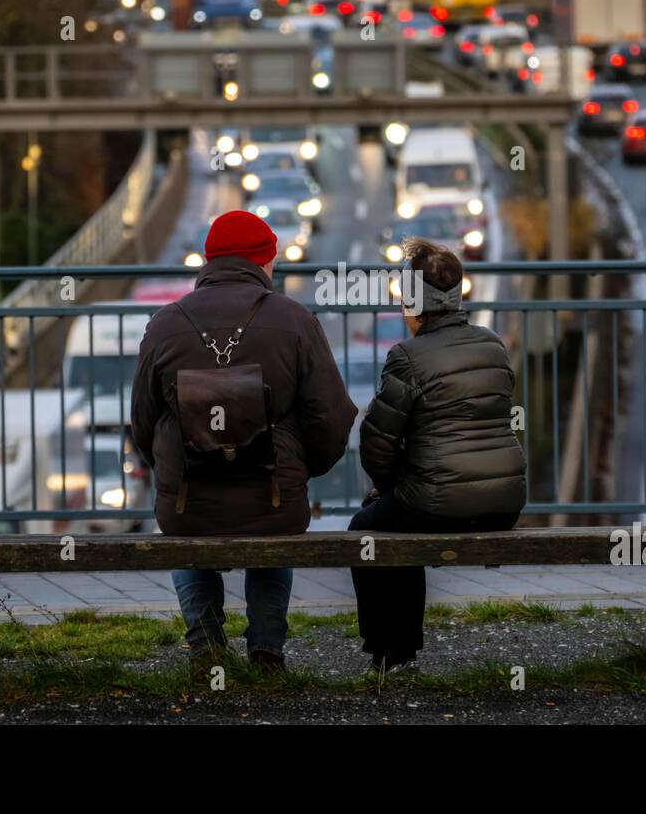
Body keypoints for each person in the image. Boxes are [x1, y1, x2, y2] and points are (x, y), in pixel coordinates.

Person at [130, 210, 357, 670]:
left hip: (188, 502)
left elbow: (142, 420)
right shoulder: (295, 321)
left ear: (208, 261)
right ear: (264, 263)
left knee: (188, 537)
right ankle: (266, 649)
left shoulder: (165, 324)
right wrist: (298, 468)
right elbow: (331, 417)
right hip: (274, 498)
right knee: (273, 532)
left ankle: (207, 649)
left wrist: (170, 472)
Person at [350, 238, 527, 673]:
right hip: (505, 501)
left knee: (368, 531)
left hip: (438, 505)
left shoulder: (407, 358)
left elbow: (376, 443)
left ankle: (390, 652)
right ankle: (399, 650)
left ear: (413, 303)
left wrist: (389, 487)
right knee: (403, 515)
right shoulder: (493, 345)